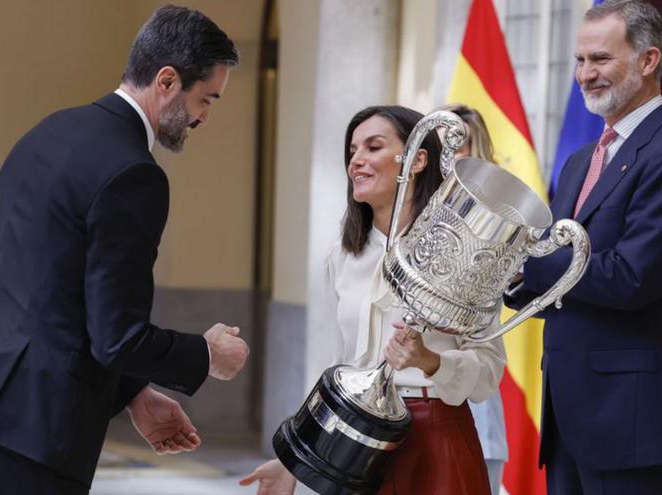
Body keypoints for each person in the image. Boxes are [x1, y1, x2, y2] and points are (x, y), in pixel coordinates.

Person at [0, 6, 250, 495]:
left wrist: (135, 393)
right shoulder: (136, 174)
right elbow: (118, 337)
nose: (204, 117)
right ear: (167, 80)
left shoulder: (52, 129)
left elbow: (53, 287)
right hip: (28, 425)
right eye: (206, 99)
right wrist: (205, 354)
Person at [241, 106, 506, 495]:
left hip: (436, 438)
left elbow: (487, 373)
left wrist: (429, 361)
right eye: (352, 151)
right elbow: (339, 369)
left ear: (417, 160)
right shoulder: (343, 256)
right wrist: (293, 462)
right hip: (358, 449)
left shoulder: (463, 255)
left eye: (373, 147)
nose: (356, 161)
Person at [506, 1, 662, 493]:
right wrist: (505, 275)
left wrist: (525, 259)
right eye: (579, 60)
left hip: (629, 423)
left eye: (600, 59)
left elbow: (632, 276)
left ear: (649, 60)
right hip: (566, 420)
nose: (584, 75)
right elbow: (558, 265)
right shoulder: (579, 160)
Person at [439, 104, 509, 495]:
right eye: (440, 146)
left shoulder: (498, 220)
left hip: (471, 374)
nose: (449, 156)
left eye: (460, 145)